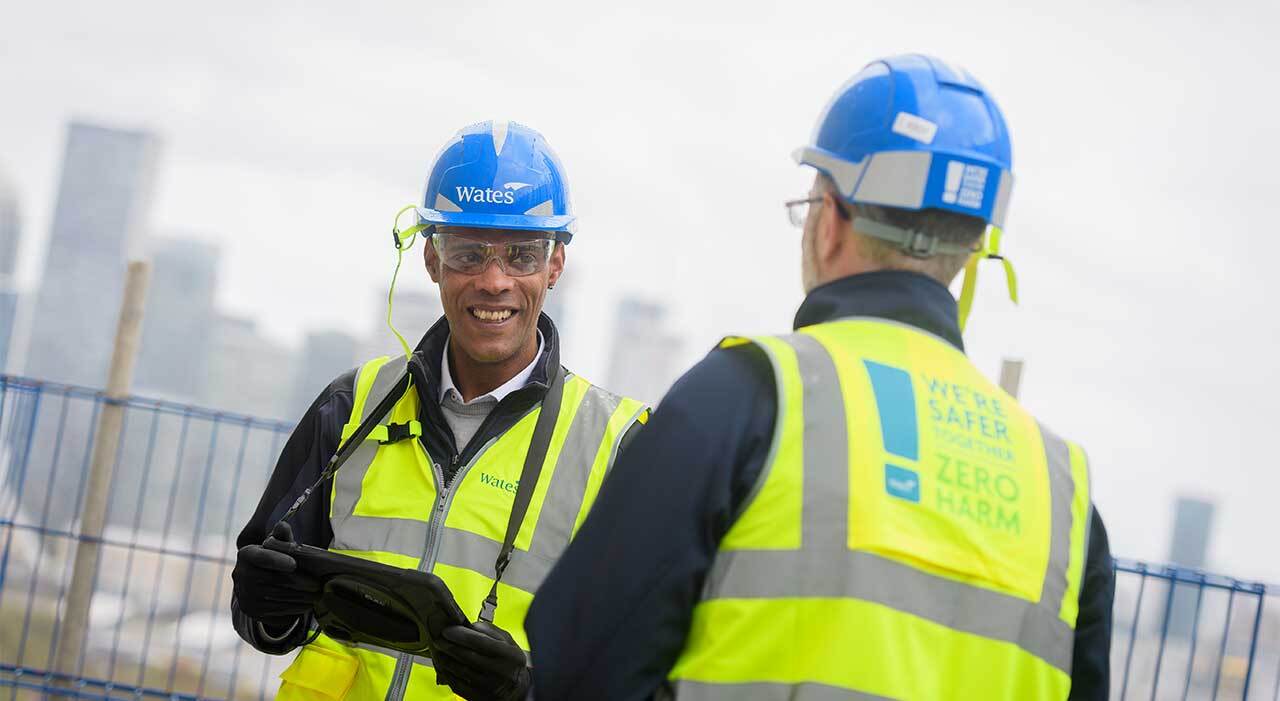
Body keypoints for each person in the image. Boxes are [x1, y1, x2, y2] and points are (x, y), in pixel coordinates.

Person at [526, 55, 1115, 700]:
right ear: (972, 251)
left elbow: (577, 669)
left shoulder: (745, 399)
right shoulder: (1064, 494)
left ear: (830, 219)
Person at [230, 120, 650, 701]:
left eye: (522, 255)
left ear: (556, 267)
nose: (494, 280)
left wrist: (528, 689)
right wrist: (263, 608)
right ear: (432, 259)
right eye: (469, 253)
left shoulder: (615, 446)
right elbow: (265, 615)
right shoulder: (352, 405)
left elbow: (643, 667)